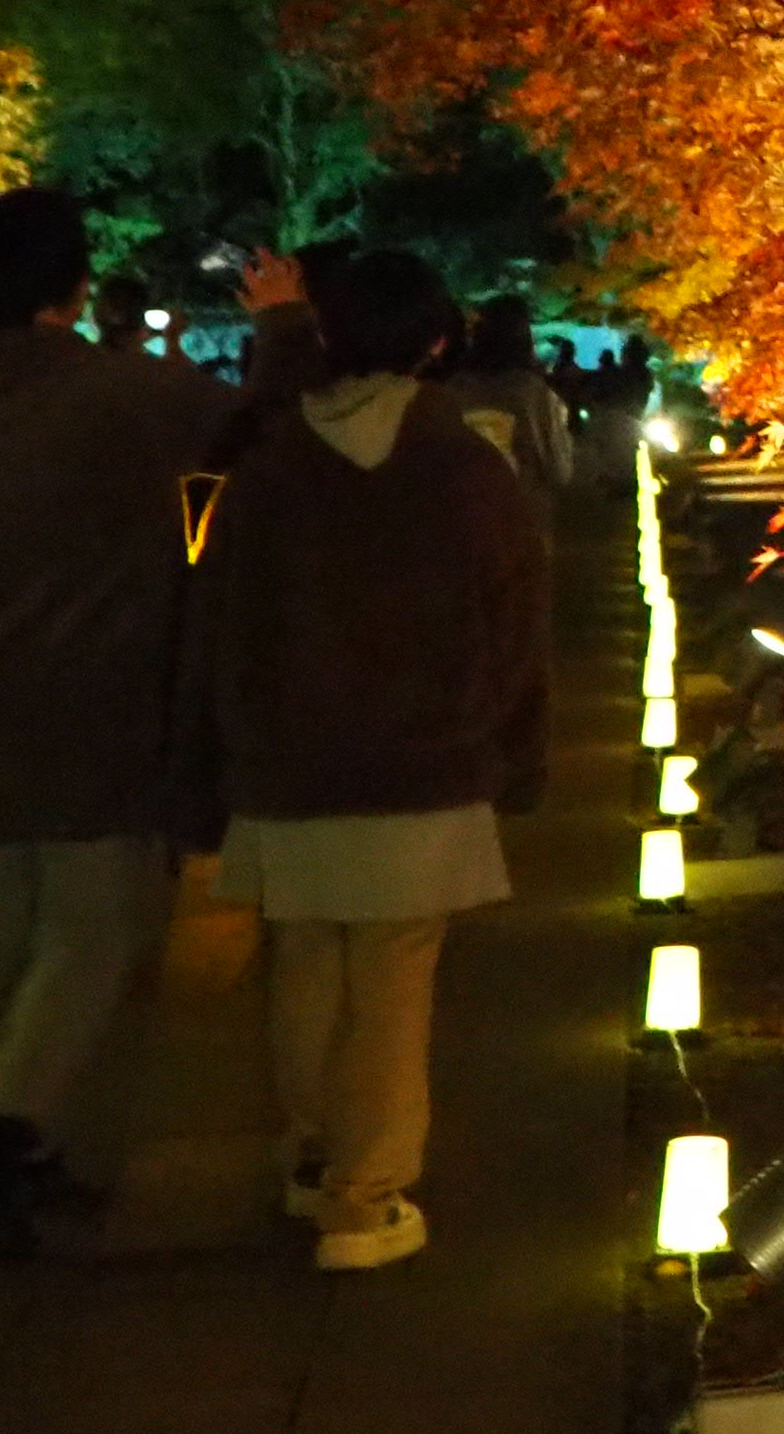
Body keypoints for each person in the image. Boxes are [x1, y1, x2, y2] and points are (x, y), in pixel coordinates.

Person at [0, 195, 298, 1262]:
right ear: (71, 286)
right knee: (92, 932)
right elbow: (257, 426)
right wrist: (282, 321)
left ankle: (15, 1140)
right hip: (87, 696)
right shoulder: (123, 395)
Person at [199, 242, 548, 1271]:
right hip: (425, 764)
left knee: (305, 963)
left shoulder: (266, 464)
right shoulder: (467, 469)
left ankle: (314, 1159)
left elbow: (218, 612)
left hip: (288, 761)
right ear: (437, 344)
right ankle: (367, 1195)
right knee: (394, 981)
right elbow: (517, 628)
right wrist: (516, 749)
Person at [439, 297, 575, 501]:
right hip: (518, 509)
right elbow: (560, 470)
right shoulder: (536, 396)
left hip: (462, 507)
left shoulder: (452, 390)